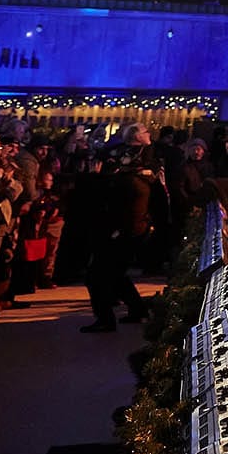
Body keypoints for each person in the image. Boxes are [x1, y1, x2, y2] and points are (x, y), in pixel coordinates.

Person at [82, 124, 154, 333]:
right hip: (133, 229)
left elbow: (110, 202)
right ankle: (137, 309)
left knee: (97, 275)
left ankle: (105, 318)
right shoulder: (141, 177)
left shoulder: (126, 181)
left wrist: (95, 177)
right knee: (116, 273)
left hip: (121, 231)